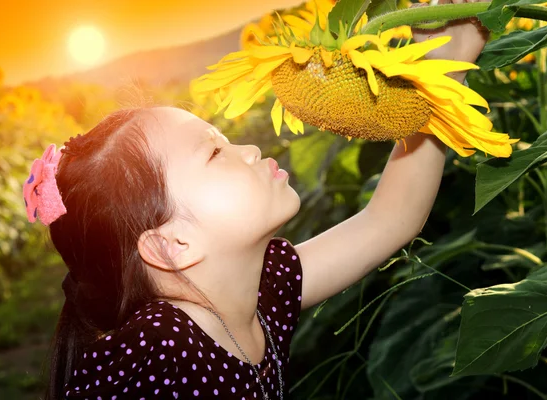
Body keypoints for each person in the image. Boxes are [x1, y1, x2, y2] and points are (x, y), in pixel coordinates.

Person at [26, 1, 491, 398]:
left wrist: (446, 68)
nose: (248, 150)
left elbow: (390, 219)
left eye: (225, 139)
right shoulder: (154, 357)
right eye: (213, 152)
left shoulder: (262, 289)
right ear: (174, 244)